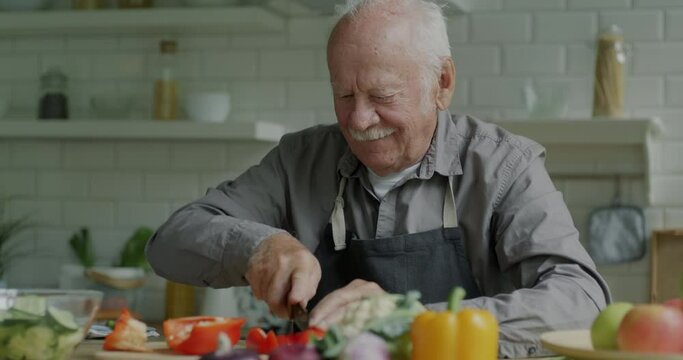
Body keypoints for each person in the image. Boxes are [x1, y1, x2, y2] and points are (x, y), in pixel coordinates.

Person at [146, 0, 611, 357]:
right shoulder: (299, 160)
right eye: (343, 94)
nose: (360, 119)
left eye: (382, 94)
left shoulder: (506, 167)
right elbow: (170, 242)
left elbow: (581, 300)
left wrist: (407, 321)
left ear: (442, 84)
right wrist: (257, 246)